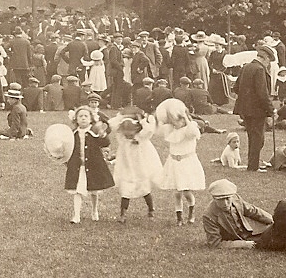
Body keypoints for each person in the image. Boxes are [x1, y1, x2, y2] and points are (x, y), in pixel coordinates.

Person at [156, 98, 206, 226]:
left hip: (186, 163)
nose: (175, 123)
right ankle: (179, 217)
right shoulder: (172, 131)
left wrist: (186, 117)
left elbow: (194, 132)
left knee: (187, 192)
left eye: (178, 120)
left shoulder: (190, 129)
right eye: (173, 121)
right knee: (177, 193)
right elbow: (160, 128)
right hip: (174, 163)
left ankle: (191, 211)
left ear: (184, 119)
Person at [107, 111, 162, 222]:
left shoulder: (141, 137)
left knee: (145, 189)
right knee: (125, 191)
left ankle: (151, 209)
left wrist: (142, 120)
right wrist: (121, 116)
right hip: (127, 169)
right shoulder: (122, 138)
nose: (128, 134)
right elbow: (111, 124)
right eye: (125, 131)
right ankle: (123, 214)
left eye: (131, 131)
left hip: (140, 168)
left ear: (137, 129)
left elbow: (149, 130)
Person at [63, 105, 113, 224]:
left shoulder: (94, 133)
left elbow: (105, 143)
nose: (83, 118)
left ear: (91, 119)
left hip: (93, 165)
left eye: (86, 116)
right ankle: (76, 215)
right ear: (76, 119)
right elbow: (68, 148)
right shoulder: (73, 134)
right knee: (77, 190)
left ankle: (94, 210)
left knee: (94, 190)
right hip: (78, 166)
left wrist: (103, 135)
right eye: (80, 116)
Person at [234, 45, 275, 173]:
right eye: (269, 61)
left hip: (245, 109)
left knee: (253, 136)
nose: (269, 64)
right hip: (257, 110)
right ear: (266, 58)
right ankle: (253, 166)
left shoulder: (246, 67)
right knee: (258, 138)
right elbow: (263, 93)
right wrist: (270, 109)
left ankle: (252, 164)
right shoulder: (259, 69)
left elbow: (236, 87)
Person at [201, 178, 274, 249]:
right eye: (220, 199)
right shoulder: (209, 216)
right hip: (238, 239)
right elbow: (215, 243)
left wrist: (272, 219)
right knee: (273, 243)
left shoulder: (236, 198)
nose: (225, 203)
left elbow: (253, 211)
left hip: (251, 232)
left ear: (232, 196)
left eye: (227, 198)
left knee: (280, 229)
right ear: (214, 198)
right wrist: (243, 244)